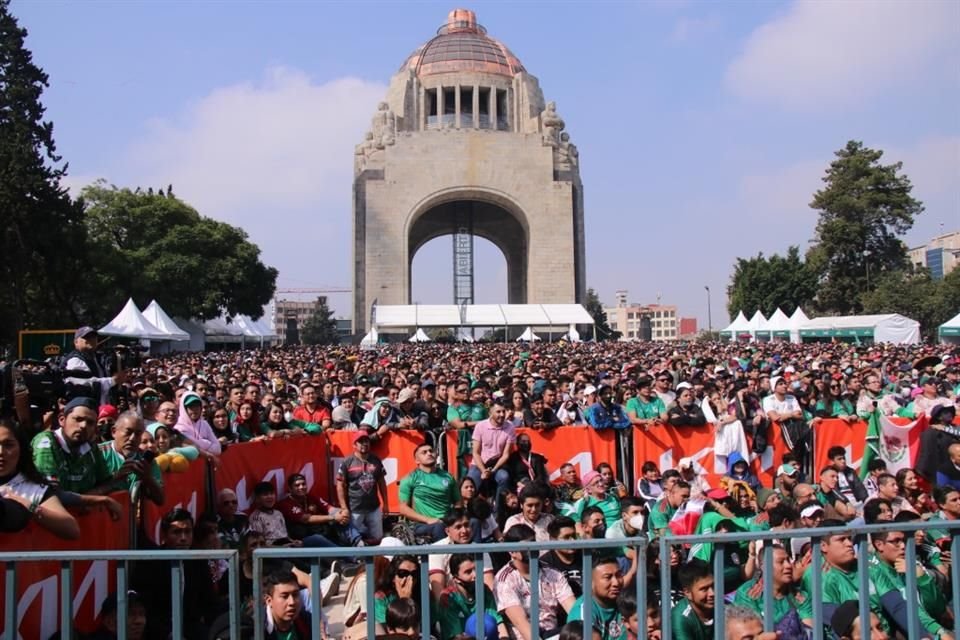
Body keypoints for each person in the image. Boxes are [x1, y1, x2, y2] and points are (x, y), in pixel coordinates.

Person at [133, 508, 219, 639]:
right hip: (157, 631)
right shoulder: (150, 563)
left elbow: (209, 602)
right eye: (177, 532)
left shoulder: (198, 561)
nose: (183, 538)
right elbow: (147, 608)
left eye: (187, 532)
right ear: (165, 535)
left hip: (191, 628)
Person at [0, 420, 80, 540]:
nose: (1, 452)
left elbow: (72, 530)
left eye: (8, 445)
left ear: (21, 449)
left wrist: (29, 506)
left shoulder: (34, 489)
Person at [495, 524, 576, 640]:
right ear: (512, 551)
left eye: (533, 542)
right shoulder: (505, 580)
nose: (532, 549)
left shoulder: (552, 573)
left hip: (552, 633)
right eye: (525, 546)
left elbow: (573, 610)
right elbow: (521, 623)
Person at [868, 529, 953, 639]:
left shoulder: (910, 562)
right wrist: (939, 632)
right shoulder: (874, 570)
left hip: (930, 627)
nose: (903, 546)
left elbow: (938, 607)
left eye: (903, 540)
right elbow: (904, 609)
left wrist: (922, 578)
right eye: (896, 541)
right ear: (879, 545)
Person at [31, 397, 114, 495]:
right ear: (62, 420)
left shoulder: (90, 447)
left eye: (90, 423)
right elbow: (51, 495)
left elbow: (107, 483)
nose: (83, 425)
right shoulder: (46, 442)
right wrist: (94, 499)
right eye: (78, 419)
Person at [732, 544, 812, 636]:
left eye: (788, 560)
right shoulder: (748, 593)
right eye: (781, 562)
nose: (788, 566)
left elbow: (809, 632)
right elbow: (751, 633)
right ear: (763, 566)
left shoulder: (800, 597)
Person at [278, 473, 364, 548]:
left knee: (342, 516)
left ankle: (359, 544)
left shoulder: (311, 497)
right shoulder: (286, 504)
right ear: (290, 488)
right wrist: (334, 517)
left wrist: (342, 513)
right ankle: (352, 557)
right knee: (318, 538)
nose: (301, 487)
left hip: (320, 531)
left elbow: (329, 508)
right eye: (297, 485)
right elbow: (306, 519)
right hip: (303, 538)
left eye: (303, 484)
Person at [98, 411, 165, 506]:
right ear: (114, 432)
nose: (132, 438)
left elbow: (160, 500)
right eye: (128, 432)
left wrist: (147, 478)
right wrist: (115, 478)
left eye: (138, 434)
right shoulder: (98, 454)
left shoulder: (146, 461)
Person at [397, 443, 459, 542]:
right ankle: (444, 556)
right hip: (421, 524)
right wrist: (428, 519)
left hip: (447, 521)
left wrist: (456, 519)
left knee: (474, 522)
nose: (429, 453)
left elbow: (458, 503)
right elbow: (403, 508)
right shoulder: (409, 479)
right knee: (439, 527)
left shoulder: (448, 477)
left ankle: (475, 556)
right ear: (417, 460)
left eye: (431, 451)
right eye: (424, 452)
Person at [428, 508, 496, 597]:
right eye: (458, 527)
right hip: (449, 602)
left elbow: (489, 585)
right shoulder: (437, 550)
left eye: (466, 525)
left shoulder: (480, 550)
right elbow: (438, 589)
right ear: (447, 531)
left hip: (477, 601)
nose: (464, 531)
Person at [436, 554, 504, 640]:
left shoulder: (484, 589)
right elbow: (455, 637)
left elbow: (498, 622)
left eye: (476, 569)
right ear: (456, 578)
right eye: (468, 572)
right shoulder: (448, 597)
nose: (475, 575)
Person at [337, 431, 389, 543]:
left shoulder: (376, 460)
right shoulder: (347, 462)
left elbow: (382, 482)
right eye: (360, 442)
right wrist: (344, 508)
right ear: (354, 445)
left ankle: (376, 560)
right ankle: (358, 561)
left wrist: (386, 504)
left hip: (374, 508)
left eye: (366, 441)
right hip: (354, 509)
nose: (364, 444)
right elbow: (340, 485)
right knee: (355, 541)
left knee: (378, 539)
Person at [567, 556, 627, 640]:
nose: (616, 582)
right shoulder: (583, 613)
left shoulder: (627, 601)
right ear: (590, 582)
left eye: (618, 575)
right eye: (608, 577)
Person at [63, 326, 124, 405]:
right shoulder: (74, 360)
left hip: (101, 407)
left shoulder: (97, 358)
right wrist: (113, 380)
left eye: (93, 337)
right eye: (86, 337)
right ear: (76, 342)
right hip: (84, 407)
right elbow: (84, 384)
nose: (91, 340)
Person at [467, 402, 516, 499]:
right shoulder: (480, 426)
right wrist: (483, 471)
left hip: (497, 464)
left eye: (503, 411)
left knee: (504, 477)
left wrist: (493, 470)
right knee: (470, 482)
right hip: (479, 464)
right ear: (490, 413)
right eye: (498, 412)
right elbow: (476, 453)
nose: (502, 415)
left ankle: (498, 510)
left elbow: (506, 455)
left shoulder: (510, 427)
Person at [541, 515, 584, 597]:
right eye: (566, 537)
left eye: (574, 536)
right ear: (552, 540)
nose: (572, 541)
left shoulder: (587, 556)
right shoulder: (545, 564)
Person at [671, 560, 714, 640]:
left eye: (713, 586)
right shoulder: (681, 617)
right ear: (688, 592)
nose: (712, 593)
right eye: (704, 589)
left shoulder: (722, 607)